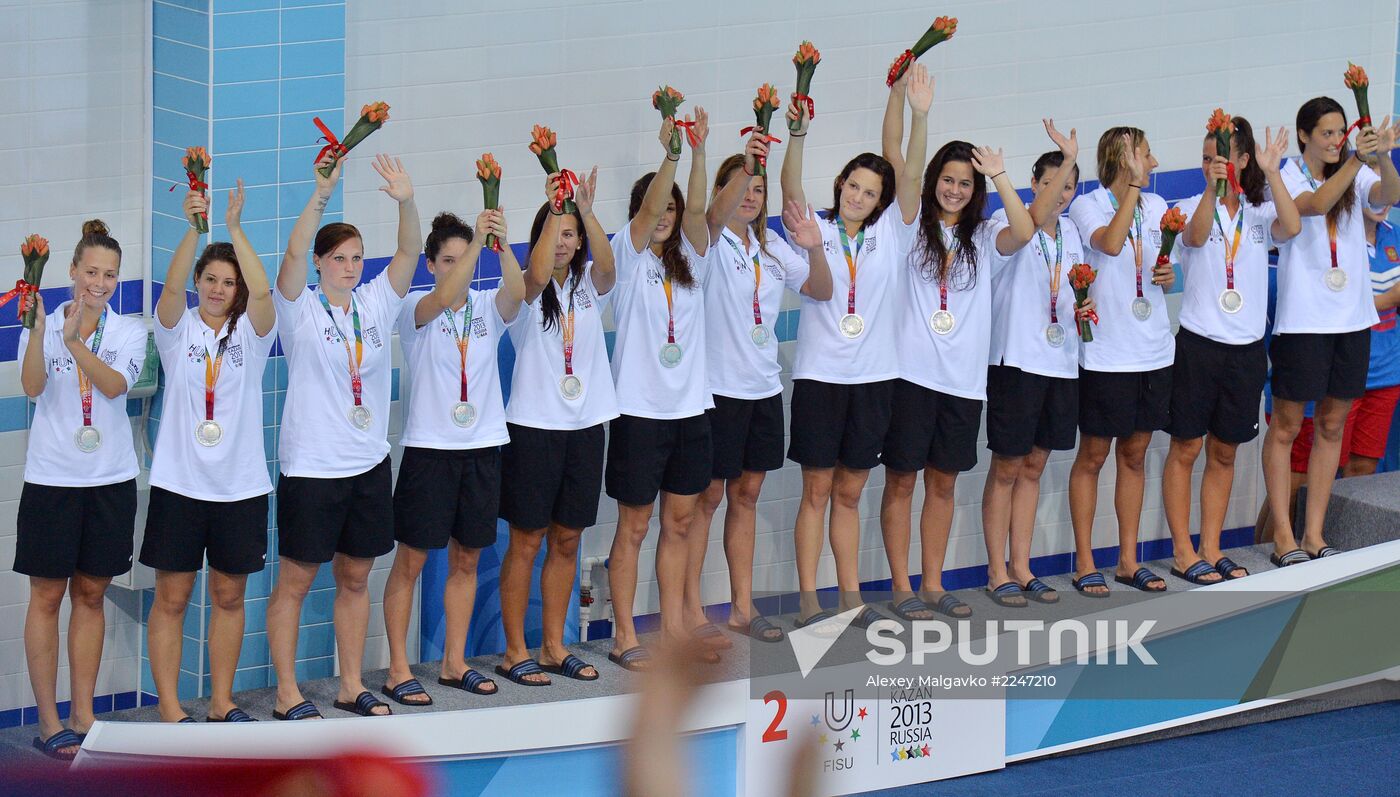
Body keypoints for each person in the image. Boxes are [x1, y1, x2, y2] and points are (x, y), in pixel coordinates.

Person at [266, 154, 420, 719]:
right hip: (312, 467)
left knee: (356, 576)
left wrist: (406, 200)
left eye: (357, 258)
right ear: (321, 263)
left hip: (368, 463)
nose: (351, 267)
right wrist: (321, 196)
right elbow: (288, 257)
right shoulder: (298, 309)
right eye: (339, 258)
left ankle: (352, 684)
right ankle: (287, 693)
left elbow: (408, 253)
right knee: (296, 581)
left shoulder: (375, 303)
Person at [779, 65, 926, 631]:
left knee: (850, 491)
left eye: (870, 191)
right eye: (852, 186)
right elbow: (791, 190)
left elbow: (907, 169)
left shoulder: (894, 231)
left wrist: (916, 112)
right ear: (839, 185)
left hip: (874, 380)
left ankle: (848, 596)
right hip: (821, 377)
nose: (859, 196)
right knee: (815, 491)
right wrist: (796, 137)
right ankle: (810, 598)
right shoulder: (809, 234)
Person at [685, 135, 833, 645]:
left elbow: (821, 290)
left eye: (759, 188)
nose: (751, 194)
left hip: (764, 388)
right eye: (743, 186)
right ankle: (691, 611)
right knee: (706, 500)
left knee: (745, 496)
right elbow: (710, 213)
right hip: (717, 390)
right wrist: (747, 165)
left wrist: (814, 250)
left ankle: (741, 608)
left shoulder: (771, 249)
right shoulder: (707, 242)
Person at [141, 182, 278, 723]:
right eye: (211, 280)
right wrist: (196, 229)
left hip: (240, 487)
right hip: (180, 484)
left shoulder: (254, 334)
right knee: (172, 600)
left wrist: (237, 230)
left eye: (229, 282)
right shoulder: (176, 332)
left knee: (228, 597)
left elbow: (266, 298)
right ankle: (172, 707)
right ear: (199, 282)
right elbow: (169, 291)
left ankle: (222, 701)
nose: (219, 289)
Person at [604, 109, 731, 670]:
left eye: (672, 210)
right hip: (638, 412)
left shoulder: (694, 261)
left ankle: (676, 628)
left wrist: (699, 152)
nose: (665, 217)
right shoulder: (626, 257)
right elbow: (653, 208)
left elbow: (701, 209)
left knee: (680, 522)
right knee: (634, 526)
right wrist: (672, 152)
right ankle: (625, 634)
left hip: (691, 411)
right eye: (656, 209)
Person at [380, 208, 523, 700]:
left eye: (464, 259)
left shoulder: (485, 307)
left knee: (467, 560)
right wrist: (478, 246)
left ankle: (453, 662)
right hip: (430, 452)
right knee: (412, 561)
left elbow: (518, 294)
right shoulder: (418, 307)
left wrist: (500, 246)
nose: (455, 267)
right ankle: (398, 667)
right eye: (447, 259)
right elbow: (444, 295)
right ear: (431, 264)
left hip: (483, 449)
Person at [18, 220, 146, 759]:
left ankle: (84, 713)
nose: (99, 282)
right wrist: (42, 334)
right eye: (91, 272)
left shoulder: (127, 330)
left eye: (110, 275)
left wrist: (74, 341)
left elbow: (116, 386)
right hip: (52, 479)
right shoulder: (44, 324)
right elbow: (31, 387)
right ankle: (50, 722)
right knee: (47, 596)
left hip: (110, 480)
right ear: (72, 271)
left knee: (91, 595)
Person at [1263, 99, 1400, 566]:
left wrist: (1381, 155)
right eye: (1326, 133)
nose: (1336, 139)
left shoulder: (1356, 171)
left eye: (1341, 131)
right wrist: (1358, 159)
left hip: (1352, 321)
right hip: (1304, 323)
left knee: (1332, 425)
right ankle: (1282, 533)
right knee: (1285, 428)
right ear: (1304, 136)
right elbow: (1317, 206)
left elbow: (1390, 195)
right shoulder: (1286, 176)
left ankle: (1313, 532)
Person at [1162, 120, 1298, 584]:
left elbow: (1294, 226)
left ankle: (1211, 546)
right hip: (1199, 345)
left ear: (1243, 160)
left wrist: (1274, 173)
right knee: (1186, 448)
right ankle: (1183, 550)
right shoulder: (1187, 207)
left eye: (1219, 157)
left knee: (1224, 453)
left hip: (1245, 351)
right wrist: (1211, 187)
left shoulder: (1260, 212)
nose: (1211, 164)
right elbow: (1196, 238)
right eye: (1204, 158)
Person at [497, 168, 615, 685]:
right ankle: (514, 650)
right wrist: (552, 213)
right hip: (535, 427)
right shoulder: (526, 290)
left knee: (568, 539)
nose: (564, 242)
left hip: (586, 426)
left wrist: (584, 210)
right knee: (526, 542)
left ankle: (552, 645)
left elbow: (610, 269)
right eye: (554, 231)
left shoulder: (591, 287)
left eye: (571, 234)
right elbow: (539, 276)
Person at [980, 121, 1089, 608]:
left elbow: (1069, 291)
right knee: (1006, 468)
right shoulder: (1005, 225)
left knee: (1035, 465)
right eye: (1051, 183)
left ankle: (1022, 566)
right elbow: (1022, 237)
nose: (1061, 194)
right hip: (1017, 361)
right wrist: (1067, 157)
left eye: (1069, 185)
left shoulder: (1072, 235)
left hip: (1061, 363)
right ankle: (995, 569)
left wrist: (1083, 308)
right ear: (1032, 185)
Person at [1067, 127, 1175, 594]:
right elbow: (1111, 244)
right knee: (1093, 455)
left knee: (1134, 454)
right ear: (1124, 159)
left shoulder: (1157, 207)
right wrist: (1132, 187)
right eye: (1146, 154)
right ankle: (1085, 561)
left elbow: (1156, 270)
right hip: (1107, 354)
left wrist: (1168, 275)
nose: (1154, 162)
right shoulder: (1087, 204)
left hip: (1152, 350)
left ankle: (1128, 560)